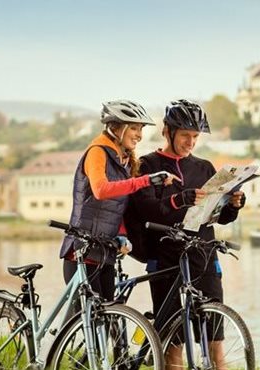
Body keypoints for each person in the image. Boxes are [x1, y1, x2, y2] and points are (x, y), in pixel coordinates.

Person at [126, 99, 245, 369]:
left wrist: (233, 205)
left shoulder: (204, 168)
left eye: (195, 137)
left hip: (203, 254)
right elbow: (145, 209)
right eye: (185, 136)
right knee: (173, 345)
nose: (191, 142)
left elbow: (219, 216)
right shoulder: (147, 165)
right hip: (164, 256)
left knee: (215, 341)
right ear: (167, 131)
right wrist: (180, 200)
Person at [59, 99, 178, 305]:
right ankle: (56, 338)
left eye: (140, 129)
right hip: (81, 250)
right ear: (116, 127)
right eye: (134, 128)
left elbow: (118, 206)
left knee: (109, 316)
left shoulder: (122, 160)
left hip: (105, 251)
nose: (139, 135)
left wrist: (122, 234)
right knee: (86, 317)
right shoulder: (97, 151)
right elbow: (101, 190)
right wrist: (146, 180)